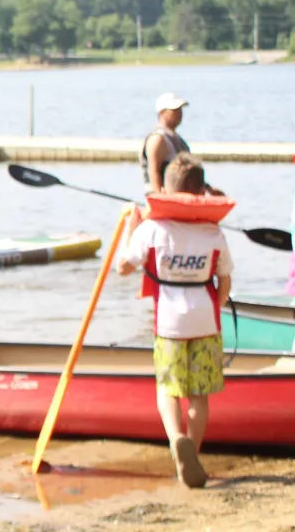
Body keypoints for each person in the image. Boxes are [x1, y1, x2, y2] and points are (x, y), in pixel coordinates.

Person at [115, 153, 233, 489]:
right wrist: (215, 304)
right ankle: (191, 455)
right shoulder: (213, 232)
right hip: (205, 321)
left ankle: (175, 439)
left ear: (166, 189)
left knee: (167, 388)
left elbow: (123, 267)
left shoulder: (152, 228)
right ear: (200, 191)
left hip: (169, 323)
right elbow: (224, 284)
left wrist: (130, 228)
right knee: (200, 394)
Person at [141, 92, 224, 196]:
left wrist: (208, 188)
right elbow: (154, 172)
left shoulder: (175, 138)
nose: (179, 113)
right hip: (165, 198)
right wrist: (160, 199)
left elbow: (188, 170)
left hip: (181, 198)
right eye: (174, 110)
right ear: (161, 113)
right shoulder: (158, 139)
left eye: (180, 110)